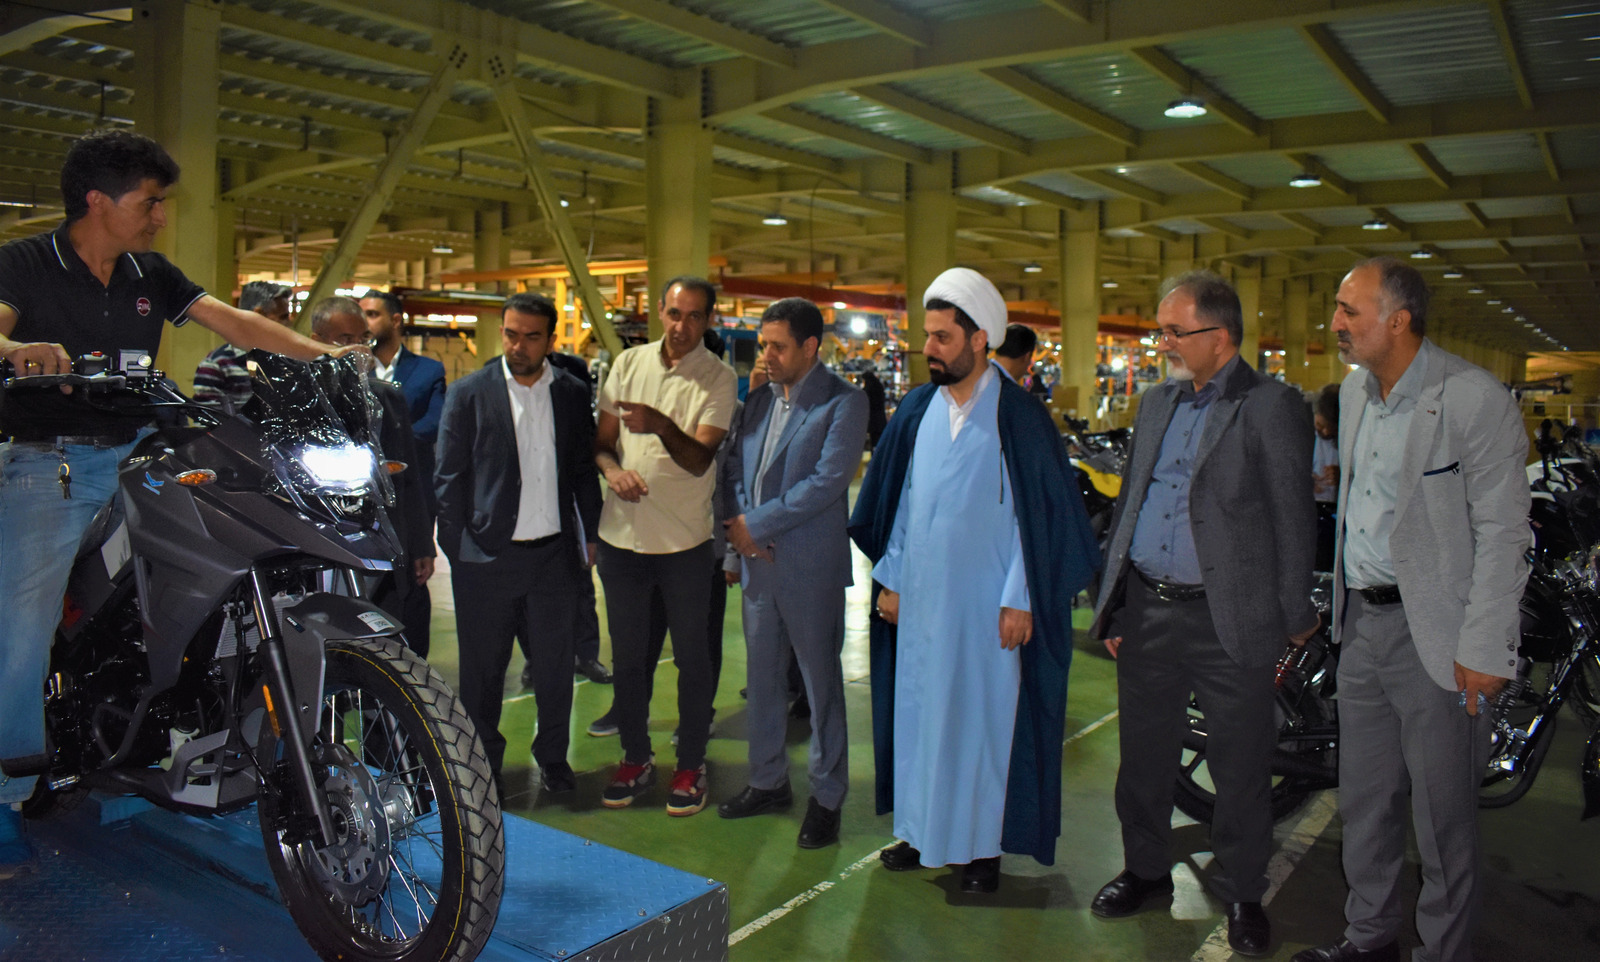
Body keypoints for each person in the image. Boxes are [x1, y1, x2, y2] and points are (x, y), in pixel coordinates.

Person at [0, 129, 357, 877]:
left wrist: (329, 358)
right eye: (150, 202)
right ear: (98, 201)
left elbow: (236, 322)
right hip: (51, 464)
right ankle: (6, 794)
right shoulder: (24, 264)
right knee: (20, 631)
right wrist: (15, 351)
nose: (161, 216)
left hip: (144, 452)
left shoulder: (149, 273)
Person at [1293, 258, 1530, 962]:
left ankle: (1442, 950)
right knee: (1364, 800)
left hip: (1439, 637)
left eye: (1349, 310)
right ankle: (1369, 937)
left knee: (1442, 817)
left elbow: (1504, 532)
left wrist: (1485, 647)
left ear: (1397, 320)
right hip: (1363, 627)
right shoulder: (1356, 393)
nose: (1336, 323)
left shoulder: (1472, 397)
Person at [1087, 270, 1319, 957]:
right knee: (1144, 756)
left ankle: (1244, 890)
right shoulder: (1157, 402)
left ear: (1220, 337)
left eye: (1174, 331)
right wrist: (1117, 606)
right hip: (1150, 609)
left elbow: (1293, 516)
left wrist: (1292, 614)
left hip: (1230, 620)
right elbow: (1132, 504)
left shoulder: (1270, 405)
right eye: (1161, 330)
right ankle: (1144, 870)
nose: (1162, 343)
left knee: (1241, 763)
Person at [848, 267, 1098, 894]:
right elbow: (900, 503)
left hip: (989, 610)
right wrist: (892, 579)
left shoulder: (1019, 417)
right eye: (927, 336)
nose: (928, 349)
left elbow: (1036, 522)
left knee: (981, 728)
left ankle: (981, 850)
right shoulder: (916, 409)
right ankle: (919, 831)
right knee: (920, 717)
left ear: (980, 339)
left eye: (942, 338)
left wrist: (1022, 599)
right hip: (924, 605)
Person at [433, 292, 601, 797]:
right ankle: (485, 767)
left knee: (554, 669)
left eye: (531, 337)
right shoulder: (469, 393)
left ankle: (553, 759)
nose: (518, 346)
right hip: (488, 557)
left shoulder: (571, 393)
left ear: (550, 340)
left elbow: (582, 471)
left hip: (554, 558)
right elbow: (448, 478)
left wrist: (591, 536)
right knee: (482, 674)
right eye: (510, 334)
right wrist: (460, 549)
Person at [717, 298, 867, 848]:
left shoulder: (843, 403)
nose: (768, 355)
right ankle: (767, 780)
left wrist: (756, 525)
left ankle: (826, 797)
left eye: (779, 346)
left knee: (820, 687)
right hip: (759, 567)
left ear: (810, 347)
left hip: (808, 568)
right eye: (764, 345)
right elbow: (735, 470)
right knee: (762, 682)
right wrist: (739, 543)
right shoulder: (758, 400)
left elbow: (827, 482)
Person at [594, 276, 736, 816]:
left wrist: (659, 424)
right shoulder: (627, 365)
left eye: (695, 316)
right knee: (629, 660)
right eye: (675, 313)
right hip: (621, 541)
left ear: (708, 320)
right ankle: (636, 758)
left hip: (684, 545)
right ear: (660, 310)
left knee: (693, 662)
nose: (682, 326)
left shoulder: (719, 378)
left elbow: (699, 459)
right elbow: (602, 445)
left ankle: (691, 764)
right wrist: (614, 473)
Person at [306, 297, 438, 658]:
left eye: (363, 338)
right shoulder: (301, 402)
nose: (358, 349)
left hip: (388, 545)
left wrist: (422, 545)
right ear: (316, 339)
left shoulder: (387, 398)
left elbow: (409, 477)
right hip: (326, 547)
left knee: (399, 642)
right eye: (345, 339)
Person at [360, 289, 445, 658]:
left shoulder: (428, 371)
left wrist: (390, 444)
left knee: (411, 580)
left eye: (373, 314)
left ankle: (411, 660)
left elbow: (435, 422)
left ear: (396, 320)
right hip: (361, 497)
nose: (366, 322)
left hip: (412, 493)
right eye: (362, 314)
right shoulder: (348, 369)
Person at [192, 280, 292, 410]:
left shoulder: (287, 361)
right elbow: (208, 420)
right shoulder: (217, 365)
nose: (289, 324)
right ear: (259, 315)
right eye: (283, 317)